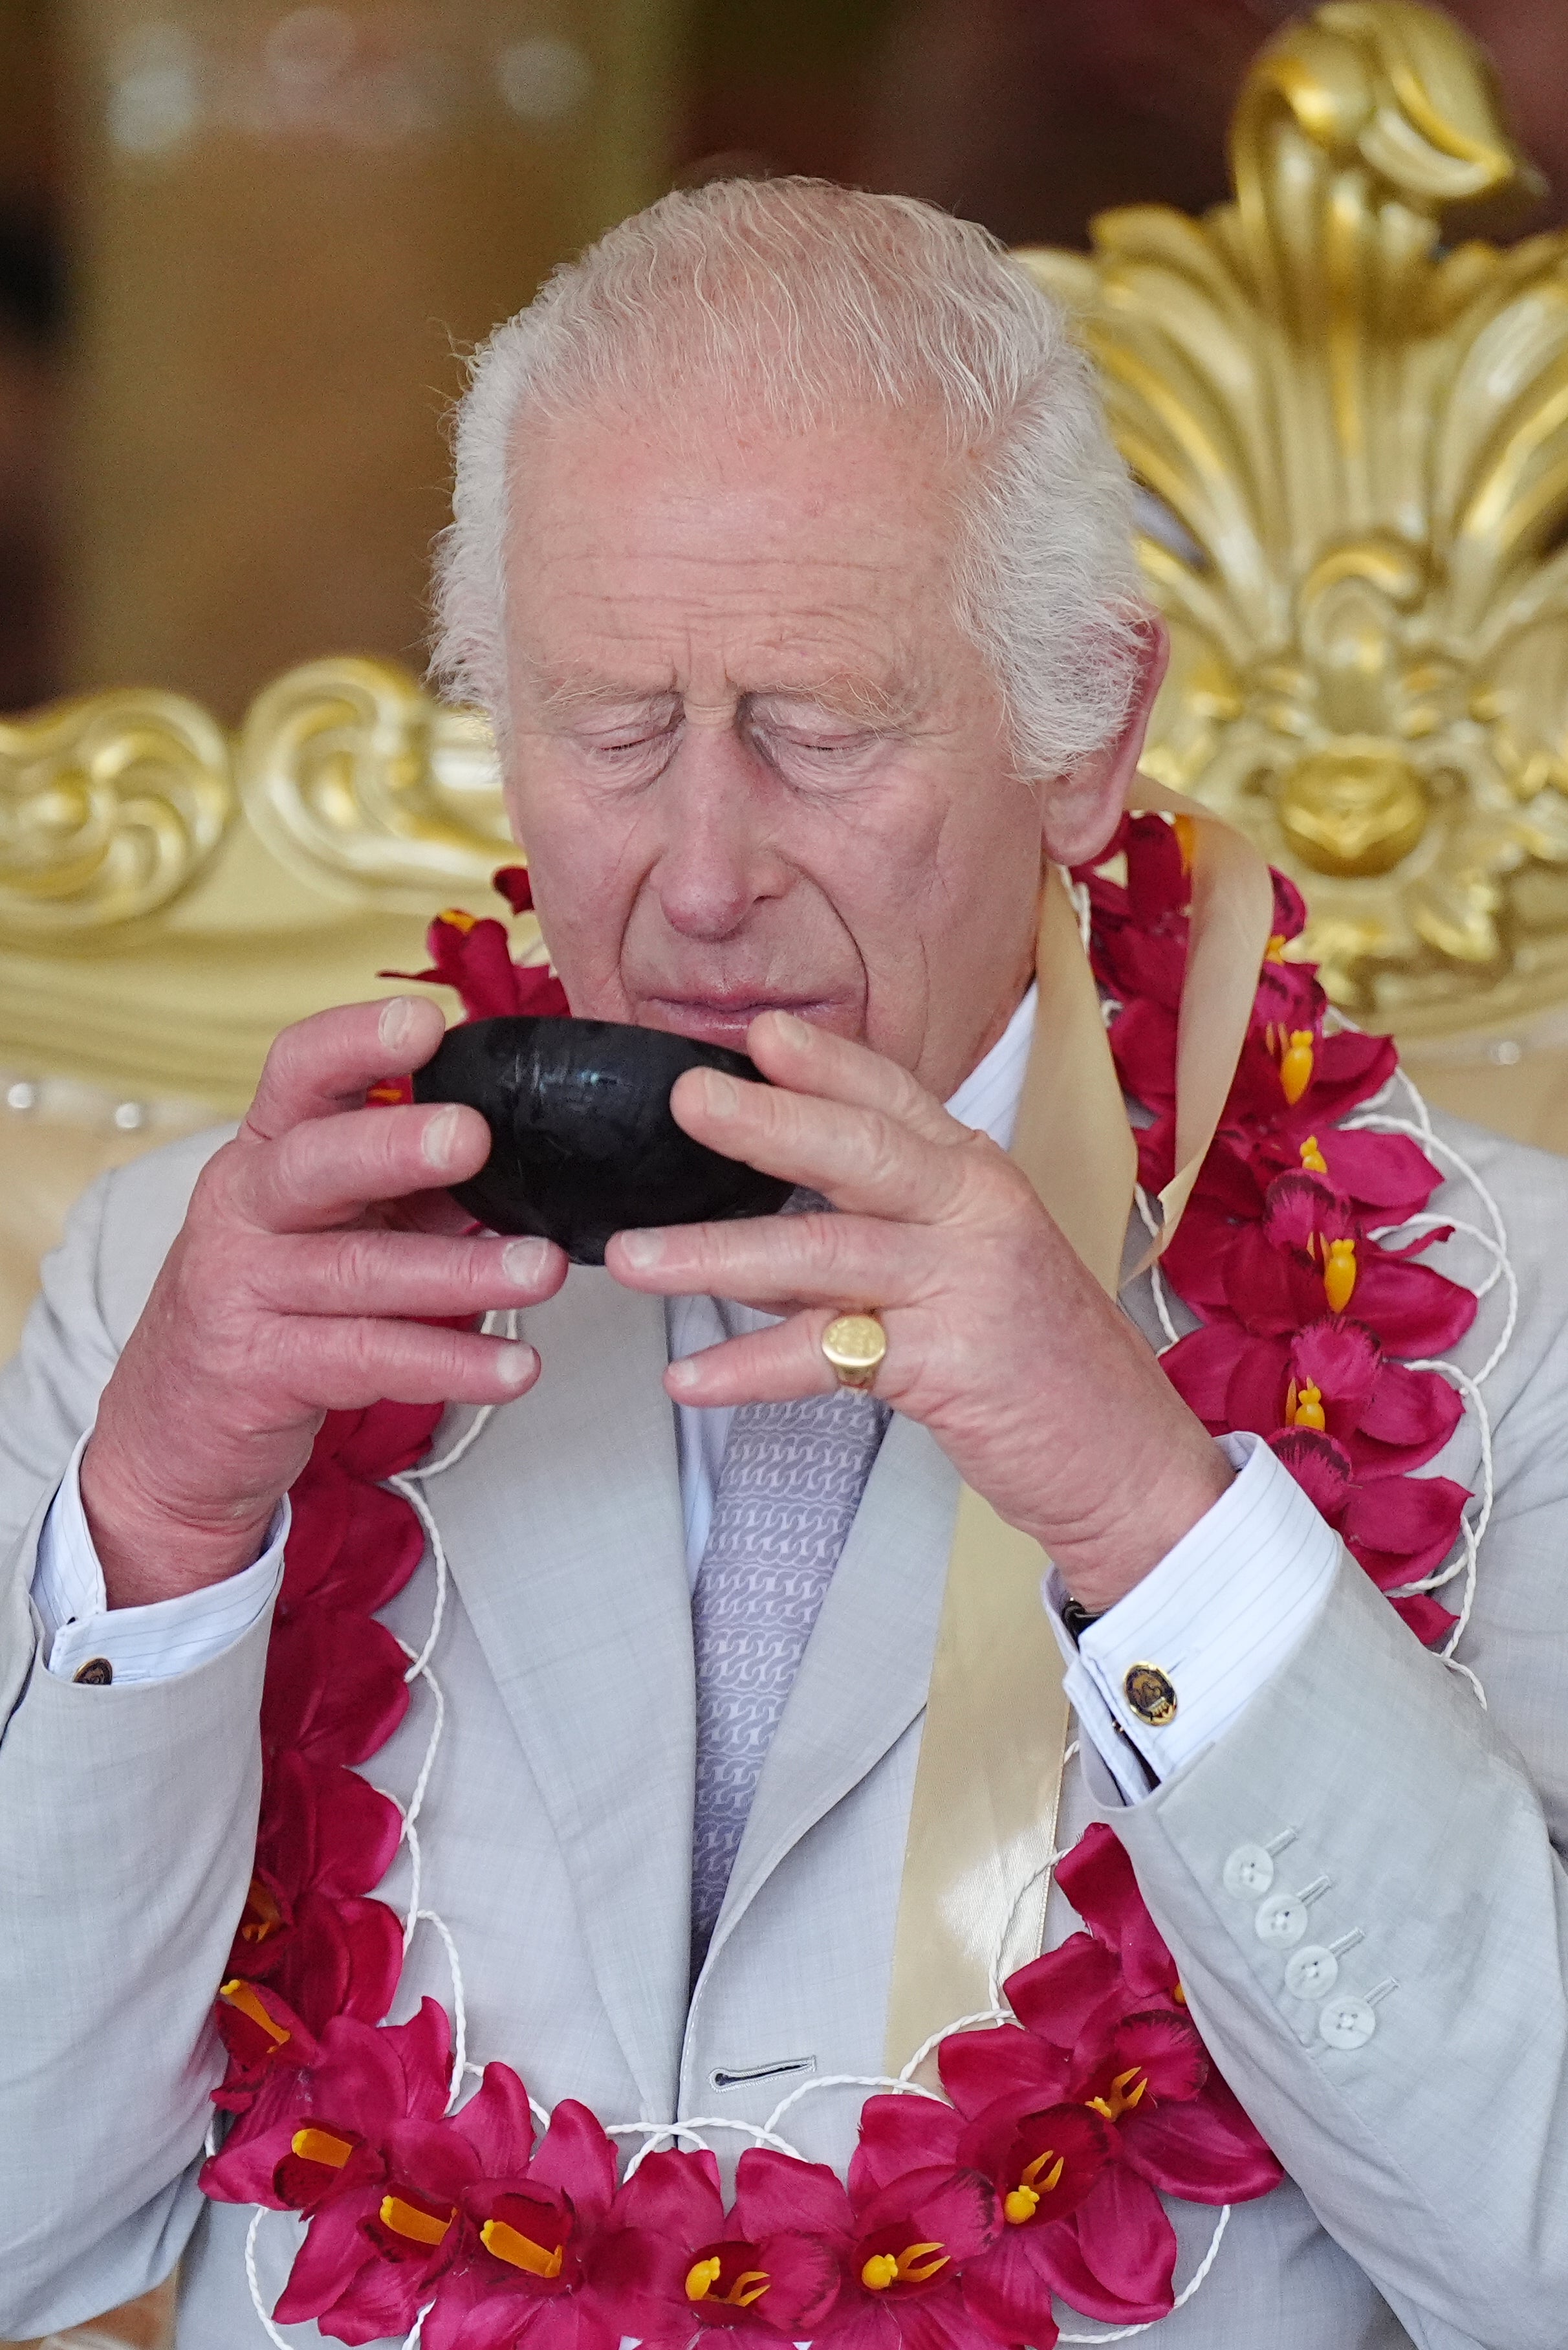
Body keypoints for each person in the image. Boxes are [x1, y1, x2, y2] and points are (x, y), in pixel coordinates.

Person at [1, 178, 1564, 2350]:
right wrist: (164, 1531)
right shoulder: (201, 1284)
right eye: (612, 730)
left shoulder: (1504, 1325)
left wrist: (1149, 1511)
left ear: (1088, 734)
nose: (701, 875)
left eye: (818, 731)